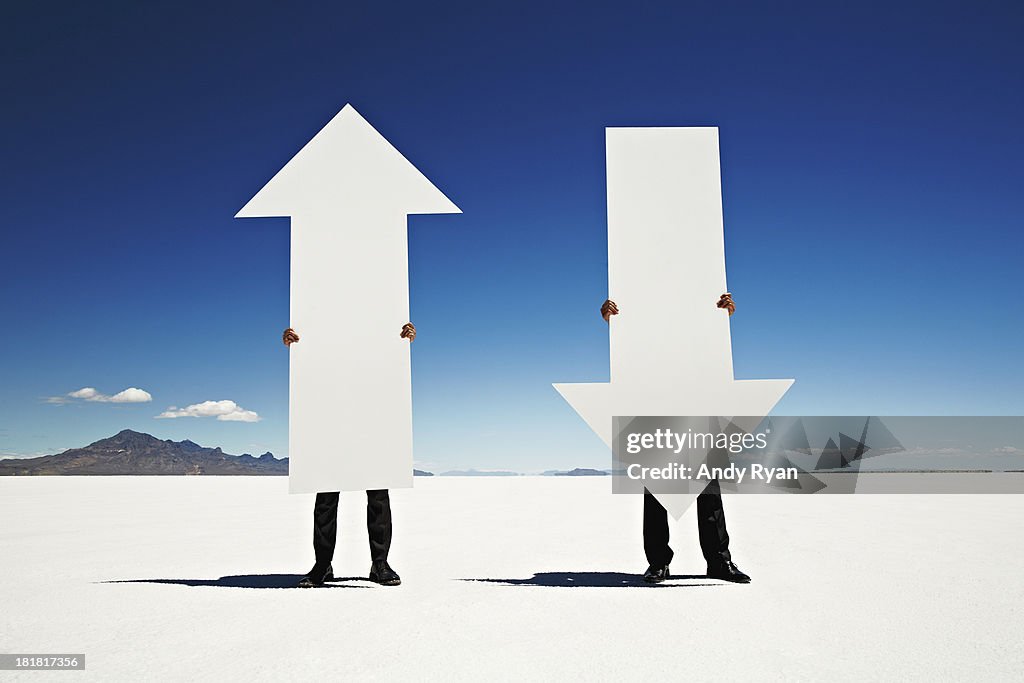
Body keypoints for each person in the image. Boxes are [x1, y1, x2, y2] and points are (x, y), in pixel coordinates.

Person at [601, 294, 752, 584]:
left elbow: (709, 350)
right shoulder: (650, 333)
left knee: (709, 493)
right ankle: (658, 563)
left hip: (698, 409)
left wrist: (720, 320)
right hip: (656, 410)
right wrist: (616, 324)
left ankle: (720, 562)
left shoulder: (694, 335)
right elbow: (632, 352)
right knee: (657, 490)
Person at [283, 323, 415, 588]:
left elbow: (384, 360)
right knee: (326, 493)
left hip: (371, 411)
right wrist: (297, 344)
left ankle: (380, 564)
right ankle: (323, 565)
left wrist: (400, 342)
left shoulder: (373, 329)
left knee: (378, 492)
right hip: (330, 412)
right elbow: (316, 358)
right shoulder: (325, 322)